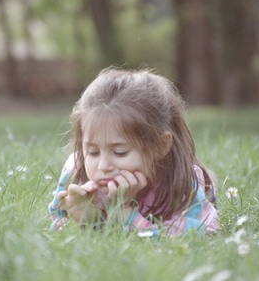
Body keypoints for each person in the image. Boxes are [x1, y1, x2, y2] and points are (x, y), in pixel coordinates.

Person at [48, 67, 219, 237]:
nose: (103, 166)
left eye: (120, 152)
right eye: (93, 152)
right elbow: (58, 228)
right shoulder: (77, 172)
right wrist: (86, 220)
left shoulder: (181, 185)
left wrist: (125, 213)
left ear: (160, 146)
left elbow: (189, 238)